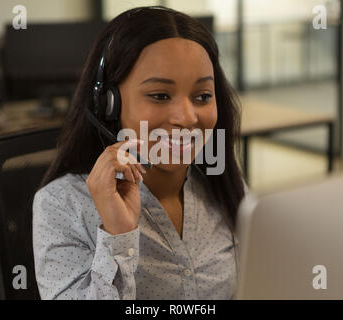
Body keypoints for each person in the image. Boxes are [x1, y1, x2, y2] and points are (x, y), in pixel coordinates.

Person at [32, 6, 249, 300]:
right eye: (160, 95)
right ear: (109, 104)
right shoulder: (61, 205)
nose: (186, 117)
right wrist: (118, 236)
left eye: (202, 97)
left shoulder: (220, 183)